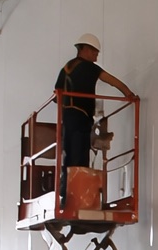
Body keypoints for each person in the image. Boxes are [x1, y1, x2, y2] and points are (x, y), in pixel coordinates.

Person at [55, 34, 136, 202]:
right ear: (84, 49)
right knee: (80, 154)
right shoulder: (91, 68)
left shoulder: (67, 67)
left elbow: (57, 96)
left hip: (67, 117)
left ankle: (65, 194)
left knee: (69, 154)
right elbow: (112, 81)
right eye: (94, 52)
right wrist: (129, 94)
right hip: (81, 117)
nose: (96, 56)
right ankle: (78, 195)